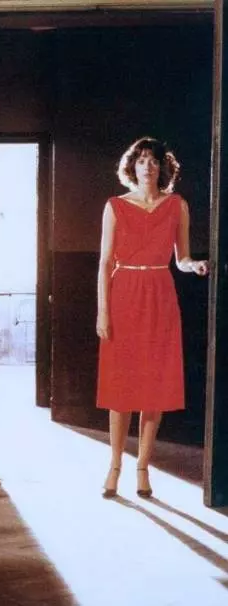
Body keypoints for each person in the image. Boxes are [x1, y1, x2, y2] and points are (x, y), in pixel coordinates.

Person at [96, 137, 209, 499]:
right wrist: (102, 311)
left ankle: (143, 467)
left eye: (155, 160)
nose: (148, 166)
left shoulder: (177, 205)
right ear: (133, 166)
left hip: (161, 297)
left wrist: (194, 265)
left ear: (163, 168)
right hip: (123, 296)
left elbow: (181, 258)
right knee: (120, 390)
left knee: (154, 389)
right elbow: (104, 263)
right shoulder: (115, 206)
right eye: (142, 160)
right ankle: (115, 465)